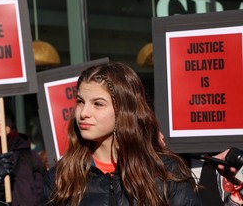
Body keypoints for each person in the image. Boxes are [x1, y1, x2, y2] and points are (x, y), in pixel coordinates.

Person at [43, 61, 202, 205]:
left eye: (98, 104)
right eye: (80, 101)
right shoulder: (61, 177)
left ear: (124, 110)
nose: (83, 112)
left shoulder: (165, 172)